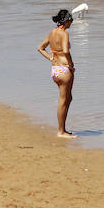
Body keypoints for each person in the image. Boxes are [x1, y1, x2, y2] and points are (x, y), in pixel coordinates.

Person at [38, 8, 77, 138]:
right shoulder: (64, 34)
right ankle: (61, 131)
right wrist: (71, 65)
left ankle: (63, 129)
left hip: (55, 70)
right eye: (70, 21)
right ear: (66, 21)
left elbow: (40, 48)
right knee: (63, 100)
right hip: (64, 69)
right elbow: (66, 51)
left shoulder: (52, 33)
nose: (71, 23)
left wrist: (50, 58)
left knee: (68, 98)